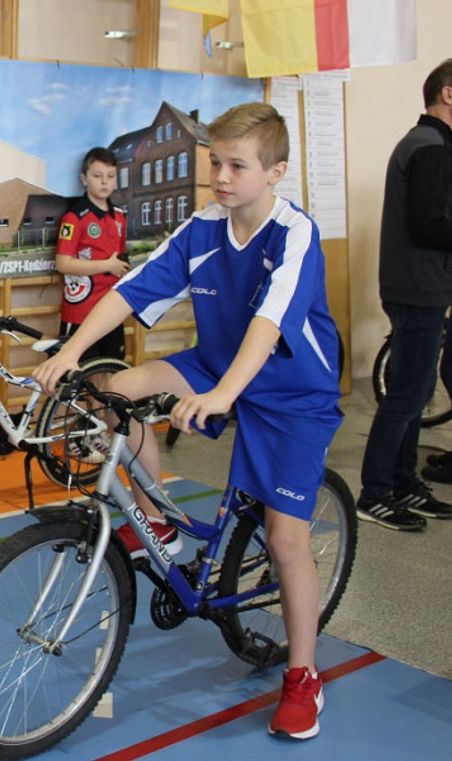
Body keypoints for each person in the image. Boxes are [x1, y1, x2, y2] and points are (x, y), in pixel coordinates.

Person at [34, 103, 342, 740]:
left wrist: (225, 394)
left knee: (286, 539)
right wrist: (68, 352)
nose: (221, 177)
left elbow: (268, 324)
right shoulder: (204, 228)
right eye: (214, 164)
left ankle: (303, 677)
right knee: (110, 390)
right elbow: (131, 289)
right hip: (214, 364)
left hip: (288, 392)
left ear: (276, 171)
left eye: (237, 165)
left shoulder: (294, 235)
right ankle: (160, 523)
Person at [356, 58, 452, 527]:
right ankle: (374, 492)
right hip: (419, 288)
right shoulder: (431, 146)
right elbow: (428, 225)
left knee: (416, 392)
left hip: (421, 285)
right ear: (448, 94)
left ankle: (403, 482)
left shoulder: (430, 143)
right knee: (407, 395)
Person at [55, 147, 130, 361]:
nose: (104, 182)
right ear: (84, 179)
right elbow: (63, 263)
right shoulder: (75, 217)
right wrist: (107, 265)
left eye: (110, 176)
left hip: (111, 309)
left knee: (110, 370)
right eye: (97, 176)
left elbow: (121, 260)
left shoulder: (119, 217)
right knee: (79, 377)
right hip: (81, 310)